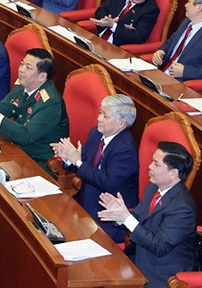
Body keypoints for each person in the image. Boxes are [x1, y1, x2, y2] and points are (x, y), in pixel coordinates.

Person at [98, 143, 197, 286]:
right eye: (152, 161)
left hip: (163, 274)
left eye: (156, 164)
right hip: (139, 256)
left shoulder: (183, 208)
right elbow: (138, 217)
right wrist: (119, 215)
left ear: (173, 173)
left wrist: (126, 217)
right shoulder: (153, 188)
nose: (150, 166)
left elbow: (159, 246)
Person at [52, 95, 139, 243]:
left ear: (121, 123)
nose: (99, 118)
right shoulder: (96, 133)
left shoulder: (125, 149)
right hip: (85, 202)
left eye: (105, 116)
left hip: (107, 217)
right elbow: (83, 162)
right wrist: (67, 157)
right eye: (100, 112)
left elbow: (106, 182)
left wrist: (77, 161)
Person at [0, 48, 69, 173]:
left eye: (28, 67)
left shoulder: (51, 102)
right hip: (14, 149)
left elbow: (26, 135)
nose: (21, 70)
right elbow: (0, 111)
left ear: (42, 76)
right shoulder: (21, 87)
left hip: (36, 161)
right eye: (22, 64)